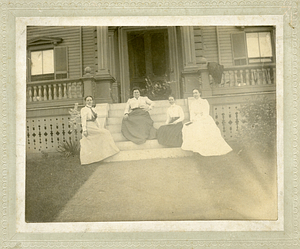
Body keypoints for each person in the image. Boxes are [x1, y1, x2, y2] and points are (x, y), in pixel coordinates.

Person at [181, 89, 232, 156]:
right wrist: (193, 119)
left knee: (201, 127)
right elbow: (192, 113)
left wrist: (200, 118)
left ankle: (204, 149)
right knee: (187, 127)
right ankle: (195, 148)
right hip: (195, 119)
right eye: (193, 93)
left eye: (196, 93)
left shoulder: (204, 102)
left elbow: (206, 113)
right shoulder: (192, 103)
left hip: (204, 119)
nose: (195, 95)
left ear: (200, 93)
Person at [80, 96, 119, 165]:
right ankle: (110, 151)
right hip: (88, 126)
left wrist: (99, 127)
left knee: (105, 132)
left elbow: (96, 120)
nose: (89, 101)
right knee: (105, 133)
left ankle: (107, 152)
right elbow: (83, 120)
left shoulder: (94, 109)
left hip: (94, 126)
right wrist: (84, 130)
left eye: (90, 100)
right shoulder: (84, 109)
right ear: (85, 102)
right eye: (88, 100)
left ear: (92, 101)